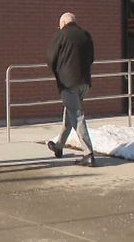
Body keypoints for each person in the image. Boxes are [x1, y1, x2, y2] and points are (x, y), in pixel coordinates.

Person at [46, 12, 96, 167]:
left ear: (63, 22)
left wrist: (58, 71)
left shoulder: (61, 35)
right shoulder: (86, 35)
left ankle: (88, 154)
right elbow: (92, 58)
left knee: (77, 116)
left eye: (59, 24)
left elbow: (49, 58)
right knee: (70, 113)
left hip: (68, 83)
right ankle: (59, 146)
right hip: (84, 82)